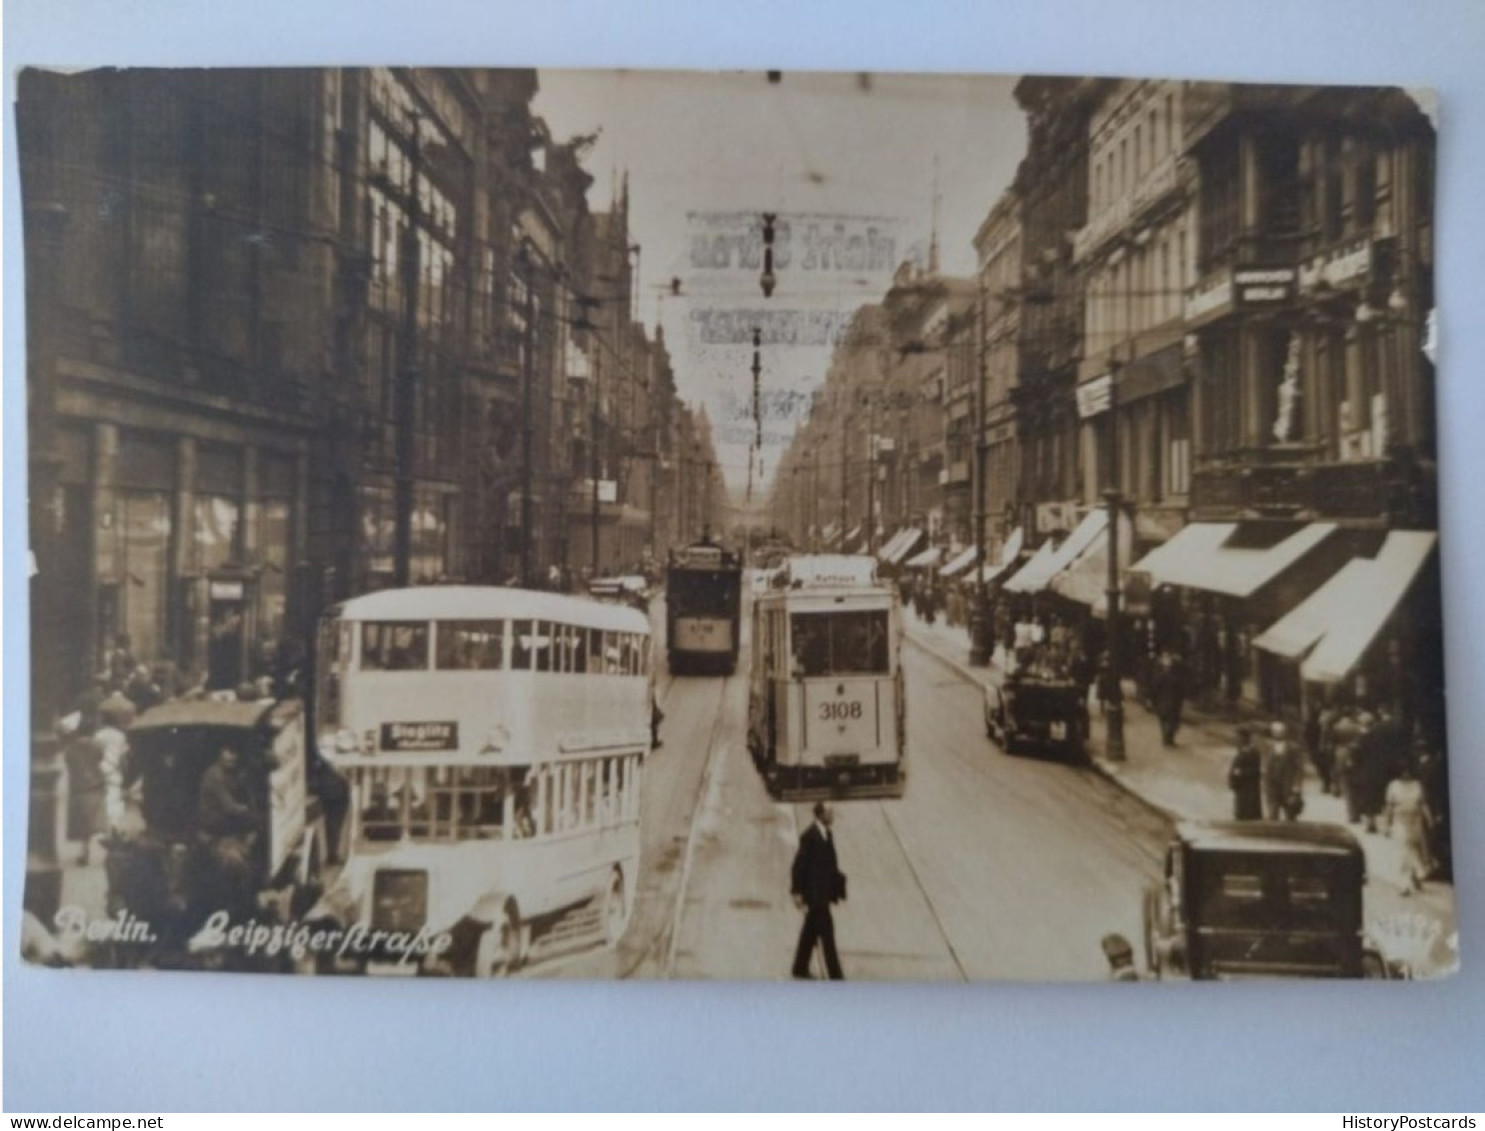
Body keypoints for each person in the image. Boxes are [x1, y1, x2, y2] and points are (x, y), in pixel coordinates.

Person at [790, 801, 847, 980]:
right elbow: (798, 866)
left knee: (810, 931)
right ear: (821, 814)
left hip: (822, 893)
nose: (833, 815)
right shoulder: (809, 837)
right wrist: (797, 892)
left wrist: (837, 884)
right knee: (827, 935)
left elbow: (830, 864)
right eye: (830, 812)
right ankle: (836, 976)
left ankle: (799, 968)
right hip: (815, 895)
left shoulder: (826, 834)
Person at [62, 705, 107, 864]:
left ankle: (84, 850)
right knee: (95, 819)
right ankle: (102, 848)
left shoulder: (70, 748)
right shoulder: (97, 745)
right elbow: (101, 759)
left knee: (81, 821)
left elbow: (68, 763)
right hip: (95, 784)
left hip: (78, 786)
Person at [1384, 762, 1434, 894]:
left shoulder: (1417, 785)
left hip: (1415, 820)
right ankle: (1405, 884)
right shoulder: (1393, 785)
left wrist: (1429, 818)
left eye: (1408, 771)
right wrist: (1387, 824)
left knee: (1414, 848)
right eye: (1403, 771)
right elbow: (1389, 806)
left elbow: (1423, 803)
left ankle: (1414, 877)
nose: (1406, 774)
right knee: (1404, 850)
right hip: (1400, 820)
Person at [1263, 721, 1302, 821]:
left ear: (1285, 733)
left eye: (1281, 731)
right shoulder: (1268, 747)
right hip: (1272, 785)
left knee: (1290, 814)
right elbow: (1266, 766)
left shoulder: (1293, 748)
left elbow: (1298, 768)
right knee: (1272, 814)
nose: (1278, 734)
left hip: (1288, 785)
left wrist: (1296, 785)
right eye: (1276, 732)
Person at [1227, 723, 1263, 821]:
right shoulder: (1241, 751)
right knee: (1240, 810)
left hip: (1249, 789)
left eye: (1238, 738)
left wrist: (1241, 773)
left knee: (1249, 812)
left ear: (1244, 739)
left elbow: (1256, 771)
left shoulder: (1253, 753)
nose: (1235, 740)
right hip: (1240, 788)